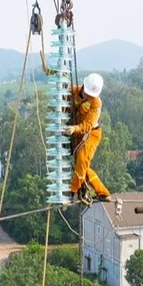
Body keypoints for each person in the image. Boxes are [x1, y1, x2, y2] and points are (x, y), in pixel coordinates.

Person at [63, 73, 111, 203]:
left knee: (83, 160)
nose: (88, 96)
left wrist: (74, 128)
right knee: (82, 166)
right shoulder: (76, 90)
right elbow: (66, 90)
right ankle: (103, 192)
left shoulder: (96, 104)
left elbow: (87, 126)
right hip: (78, 134)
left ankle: (73, 191)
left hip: (91, 134)